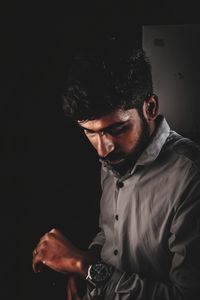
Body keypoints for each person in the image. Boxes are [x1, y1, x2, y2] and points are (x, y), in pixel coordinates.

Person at [32, 40, 200, 299]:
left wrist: (85, 267)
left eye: (117, 129)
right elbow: (110, 235)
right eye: (90, 132)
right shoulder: (115, 158)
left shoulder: (191, 176)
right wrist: (83, 270)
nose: (102, 149)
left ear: (150, 107)